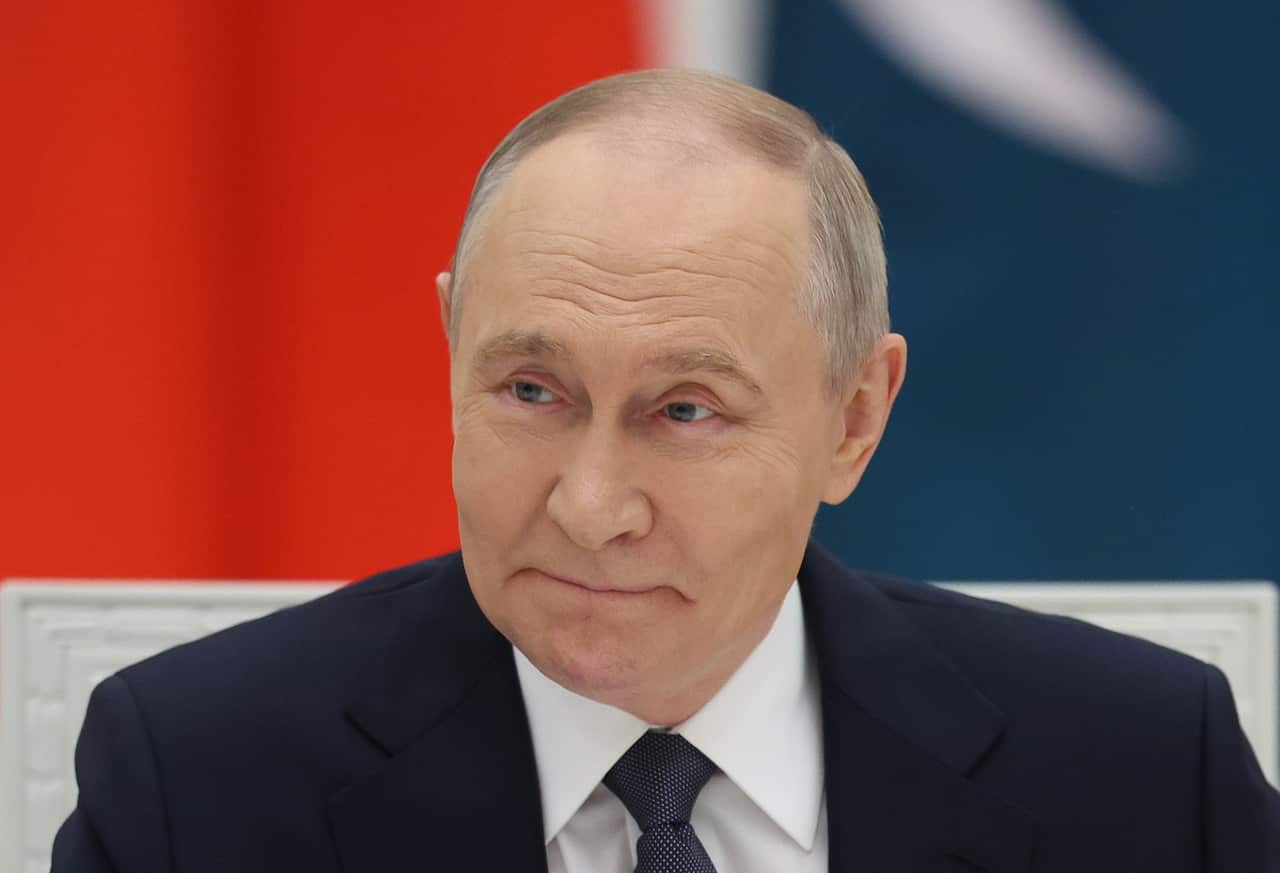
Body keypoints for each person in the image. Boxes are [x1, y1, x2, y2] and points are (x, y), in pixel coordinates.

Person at [52, 69, 1277, 873]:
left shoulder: (1140, 771)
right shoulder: (194, 779)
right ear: (449, 355)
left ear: (854, 417)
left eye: (683, 410)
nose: (589, 509)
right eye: (530, 392)